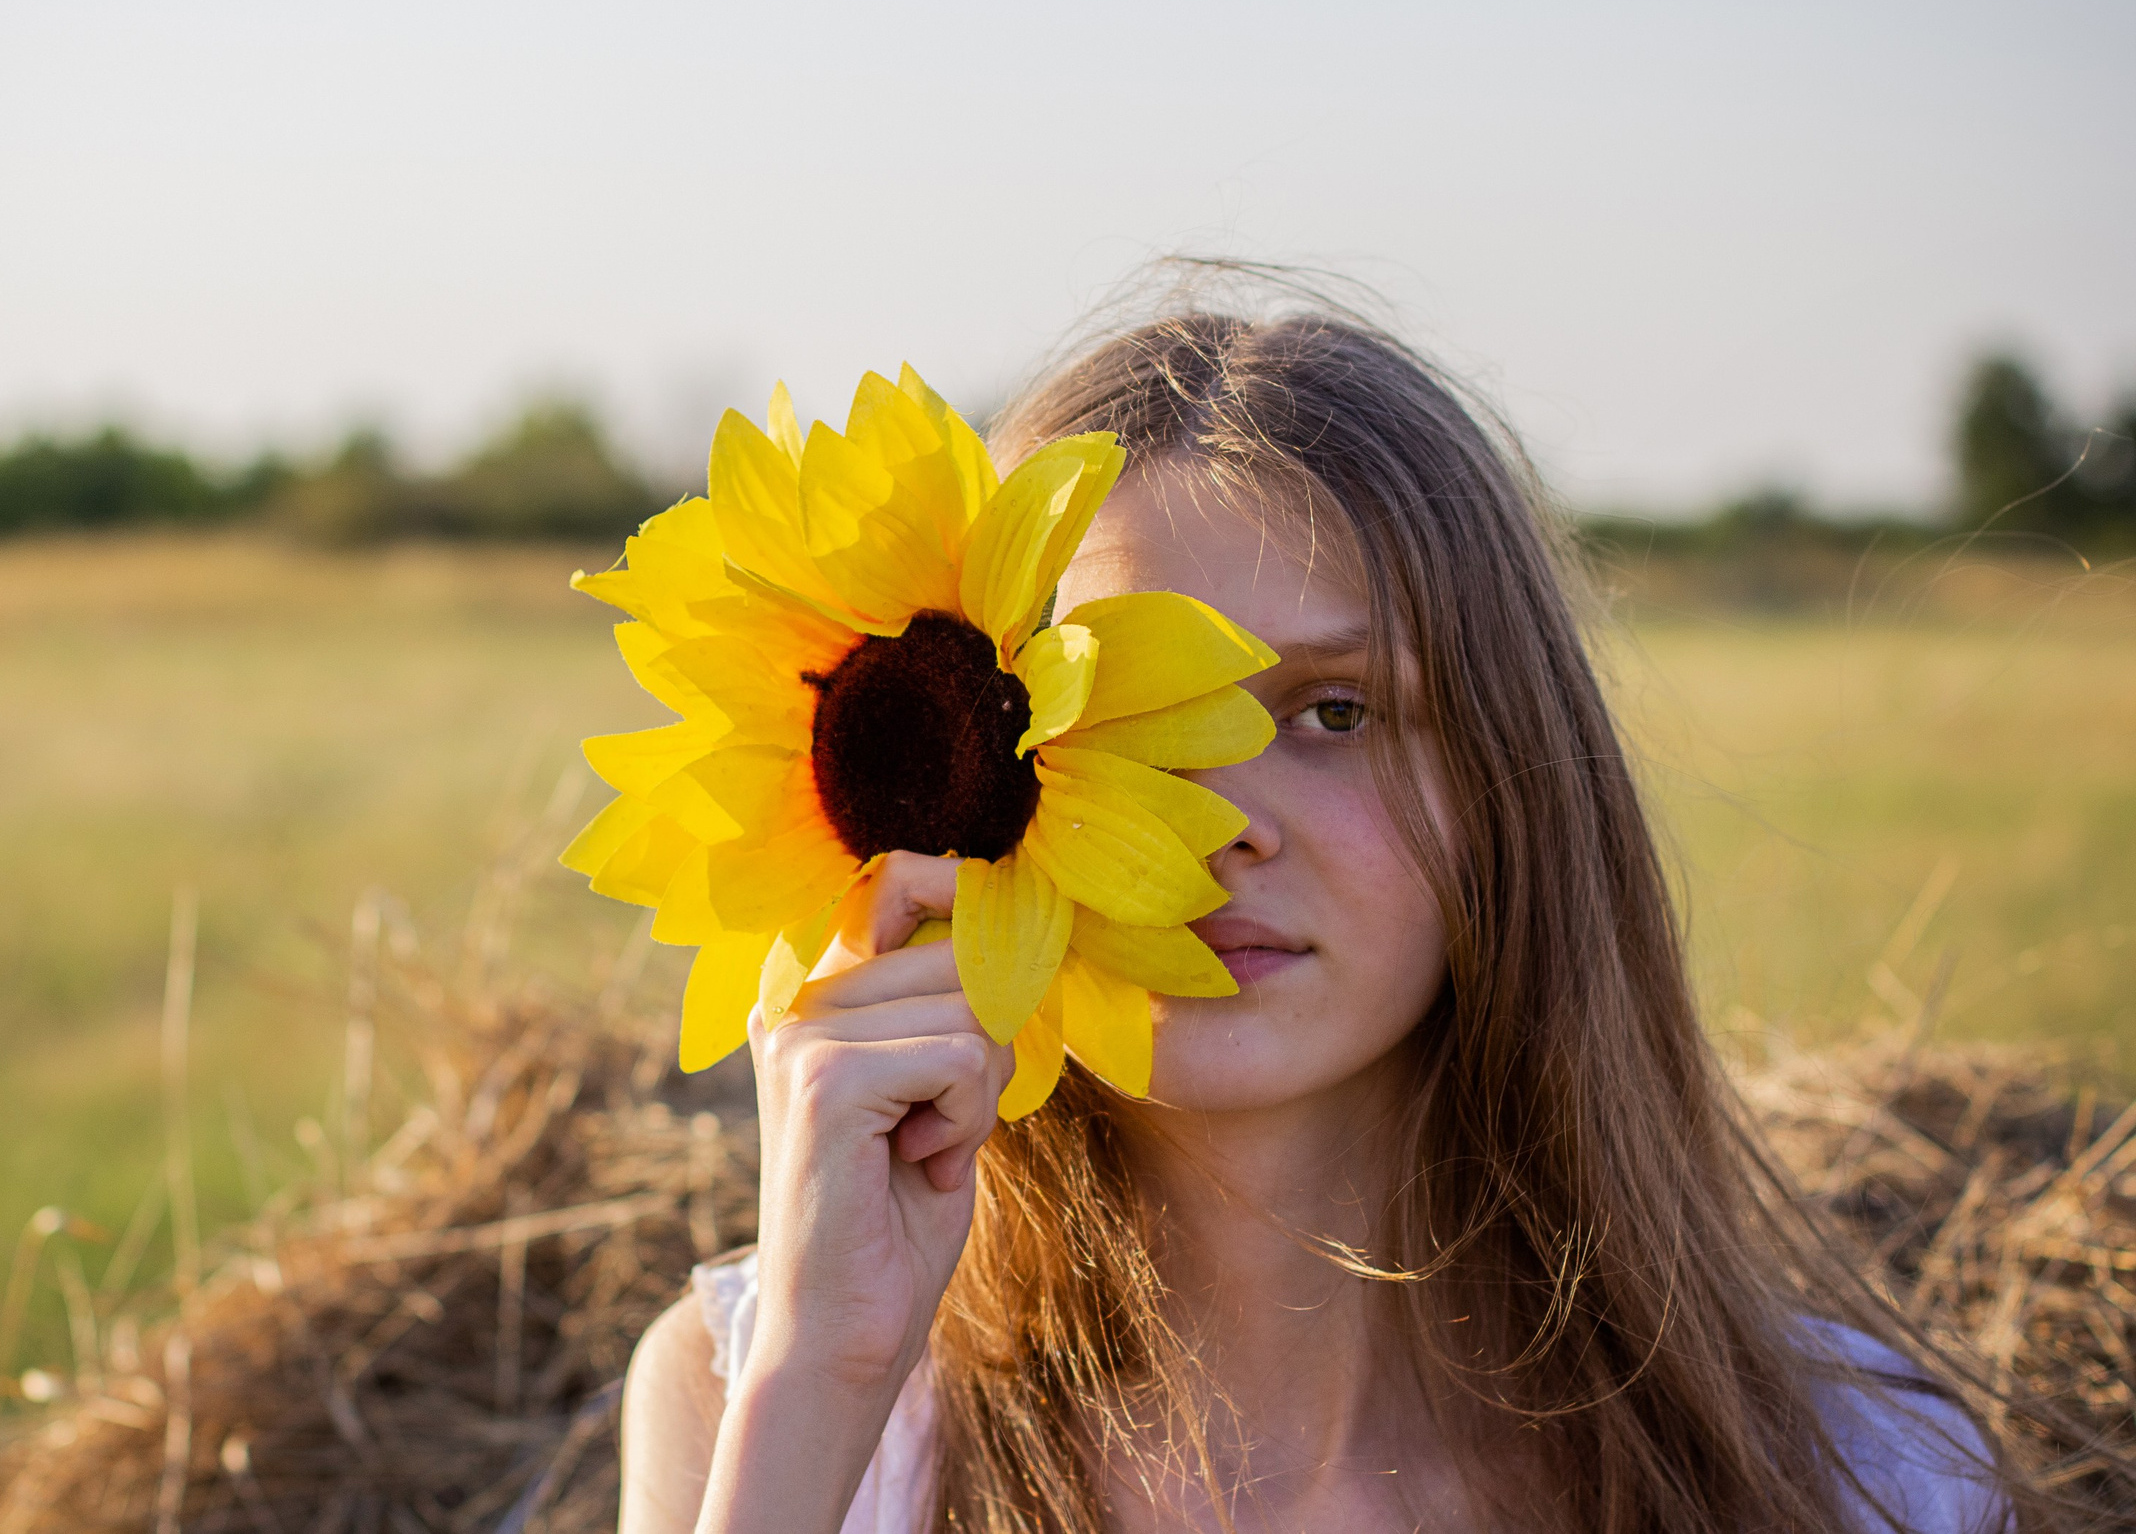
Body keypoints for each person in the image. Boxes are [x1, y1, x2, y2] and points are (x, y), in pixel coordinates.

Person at [618, 308, 2013, 1533]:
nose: (1218, 822)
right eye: (1115, 722)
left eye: (1334, 713)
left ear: (1515, 784)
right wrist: (827, 1382)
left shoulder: (1871, 1482)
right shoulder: (760, 1402)